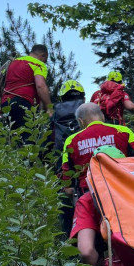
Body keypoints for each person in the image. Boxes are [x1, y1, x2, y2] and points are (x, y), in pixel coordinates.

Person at [60, 102, 134, 195]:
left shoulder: (71, 140)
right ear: (102, 117)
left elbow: (67, 170)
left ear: (81, 121)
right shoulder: (124, 131)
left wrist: (67, 188)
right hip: (122, 188)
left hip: (89, 192)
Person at [0, 45, 53, 133]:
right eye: (45, 59)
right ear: (43, 55)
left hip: (6, 106)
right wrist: (49, 108)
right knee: (28, 138)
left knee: (15, 138)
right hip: (23, 103)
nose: (45, 62)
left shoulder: (11, 63)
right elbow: (40, 86)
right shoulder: (38, 64)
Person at [52, 79, 86, 236]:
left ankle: (71, 247)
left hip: (62, 168)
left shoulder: (54, 114)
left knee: (67, 211)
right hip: (88, 169)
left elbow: (46, 142)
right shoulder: (90, 111)